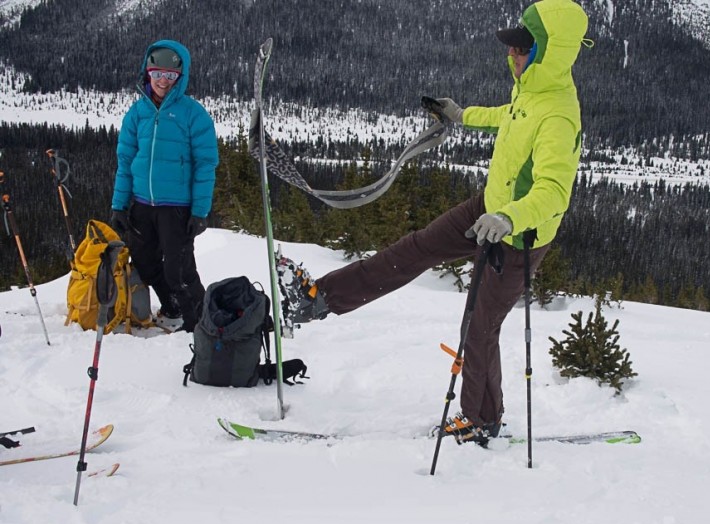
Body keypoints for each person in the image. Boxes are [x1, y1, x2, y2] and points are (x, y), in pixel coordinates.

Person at [281, 0, 589, 443]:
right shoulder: (532, 93)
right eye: (513, 48)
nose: (512, 56)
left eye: (522, 49)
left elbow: (554, 192)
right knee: (416, 248)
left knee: (480, 326)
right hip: (489, 207)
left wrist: (508, 217)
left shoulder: (558, 114)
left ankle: (480, 420)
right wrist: (462, 115)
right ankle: (323, 297)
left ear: (549, 51)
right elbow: (508, 117)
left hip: (518, 235)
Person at [110, 39, 219, 332]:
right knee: (145, 263)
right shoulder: (136, 114)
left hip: (177, 208)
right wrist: (119, 205)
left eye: (170, 76)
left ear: (179, 78)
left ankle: (200, 322)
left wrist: (199, 211)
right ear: (148, 73)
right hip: (142, 204)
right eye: (157, 73)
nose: (162, 81)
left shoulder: (193, 114)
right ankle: (172, 308)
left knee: (179, 270)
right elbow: (125, 160)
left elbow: (205, 164)